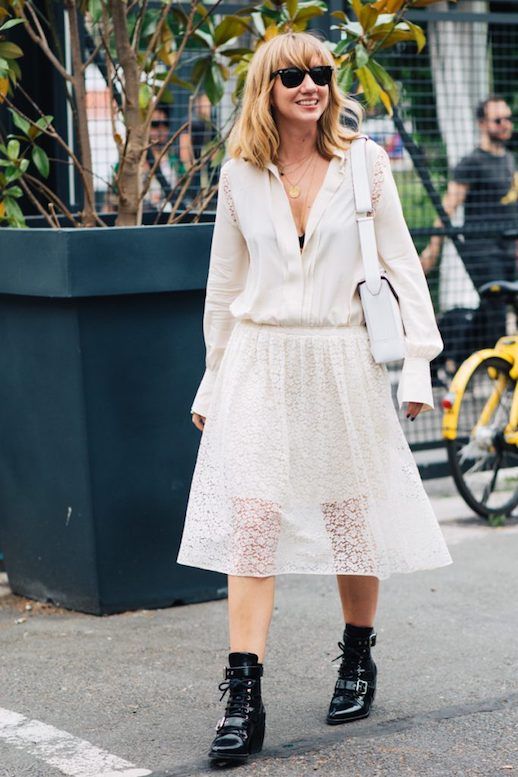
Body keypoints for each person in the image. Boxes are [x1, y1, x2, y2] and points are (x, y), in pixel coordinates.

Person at [177, 31, 452, 765]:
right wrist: (212, 379)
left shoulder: (364, 165)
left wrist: (420, 369)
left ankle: (358, 655)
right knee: (254, 519)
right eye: (293, 74)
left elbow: (402, 271)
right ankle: (243, 692)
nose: (311, 84)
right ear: (267, 87)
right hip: (260, 360)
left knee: (348, 508)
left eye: (322, 72)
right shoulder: (240, 173)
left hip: (340, 357)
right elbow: (224, 291)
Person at [421, 96, 517, 362]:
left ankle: (450, 358)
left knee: (493, 311)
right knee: (495, 310)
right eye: (498, 120)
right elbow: (447, 208)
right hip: (482, 250)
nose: (505, 124)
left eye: (508, 118)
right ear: (482, 124)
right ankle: (472, 363)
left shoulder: (509, 159)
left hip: (508, 247)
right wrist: (432, 249)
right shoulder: (471, 163)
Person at [178, 92, 218, 204]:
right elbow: (184, 148)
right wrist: (189, 166)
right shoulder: (191, 121)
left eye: (209, 103)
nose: (208, 106)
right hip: (194, 171)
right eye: (205, 102)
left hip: (207, 172)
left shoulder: (211, 125)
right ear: (197, 103)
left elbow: (216, 152)